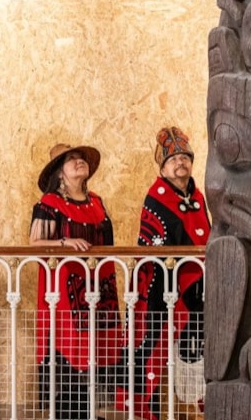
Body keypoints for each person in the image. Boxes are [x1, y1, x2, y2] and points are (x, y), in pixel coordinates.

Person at [122, 127, 211, 420]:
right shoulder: (156, 196)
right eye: (173, 159)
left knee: (196, 342)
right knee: (154, 344)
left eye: (184, 157)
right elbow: (155, 244)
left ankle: (203, 400)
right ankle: (142, 406)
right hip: (161, 286)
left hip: (196, 285)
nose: (180, 163)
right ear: (162, 166)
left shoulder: (198, 194)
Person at [29, 143, 124, 420]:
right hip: (66, 290)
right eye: (71, 160)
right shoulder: (49, 204)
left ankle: (91, 413)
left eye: (81, 158)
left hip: (100, 287)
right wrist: (63, 242)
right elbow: (34, 245)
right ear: (60, 172)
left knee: (98, 348)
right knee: (71, 350)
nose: (79, 162)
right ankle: (70, 413)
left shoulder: (97, 201)